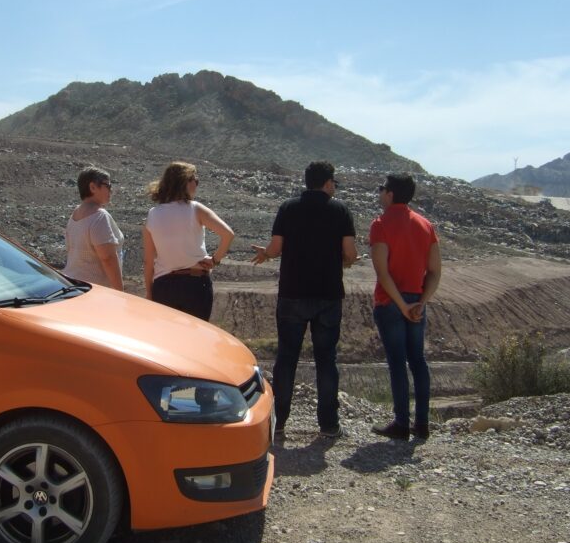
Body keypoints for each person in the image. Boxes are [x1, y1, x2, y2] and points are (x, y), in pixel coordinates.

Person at [251, 161, 357, 439]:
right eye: (334, 183)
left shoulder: (288, 208)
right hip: (328, 295)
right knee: (326, 360)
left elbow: (276, 248)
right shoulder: (341, 210)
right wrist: (346, 261)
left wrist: (266, 253)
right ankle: (329, 425)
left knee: (286, 359)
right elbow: (350, 253)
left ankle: (279, 422)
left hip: (293, 293)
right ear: (328, 183)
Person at [369, 173, 441, 440]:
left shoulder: (380, 224)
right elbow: (435, 271)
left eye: (382, 188)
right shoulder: (425, 225)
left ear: (390, 194)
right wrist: (420, 302)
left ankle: (401, 423)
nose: (380, 193)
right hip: (416, 303)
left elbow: (383, 273)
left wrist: (401, 305)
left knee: (397, 363)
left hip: (391, 303)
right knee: (418, 361)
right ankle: (422, 424)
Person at [143, 162, 234, 321]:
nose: (196, 184)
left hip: (163, 287)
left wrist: (150, 293)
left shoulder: (152, 214)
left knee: (167, 335)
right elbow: (228, 234)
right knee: (195, 334)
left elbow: (148, 261)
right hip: (195, 285)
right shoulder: (195, 209)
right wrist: (214, 260)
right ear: (184, 182)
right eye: (194, 180)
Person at [62, 167, 124, 290]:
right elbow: (108, 258)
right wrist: (119, 292)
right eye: (108, 186)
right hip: (93, 290)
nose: (111, 190)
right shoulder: (99, 216)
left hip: (73, 285)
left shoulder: (75, 214)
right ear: (93, 187)